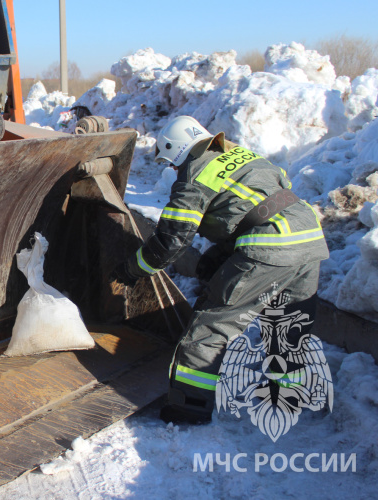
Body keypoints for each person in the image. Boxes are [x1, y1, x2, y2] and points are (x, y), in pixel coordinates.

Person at [112, 116, 329, 424]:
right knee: (288, 323)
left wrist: (132, 270)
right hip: (308, 238)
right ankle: (288, 395)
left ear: (178, 152)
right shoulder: (241, 153)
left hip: (270, 247)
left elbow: (171, 241)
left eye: (172, 163)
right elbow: (265, 201)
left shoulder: (194, 178)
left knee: (209, 327)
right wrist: (221, 253)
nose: (174, 170)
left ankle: (188, 408)